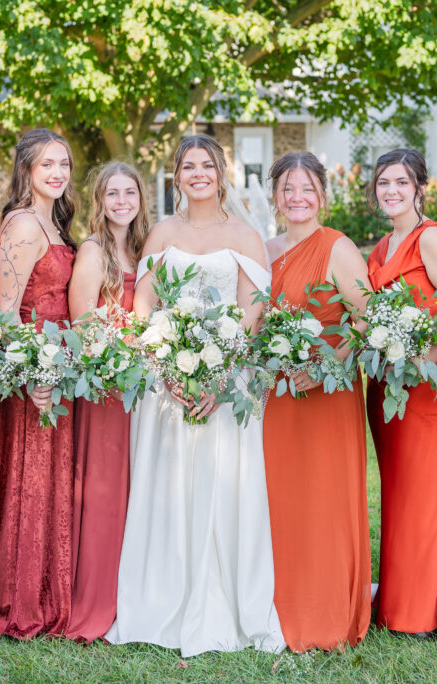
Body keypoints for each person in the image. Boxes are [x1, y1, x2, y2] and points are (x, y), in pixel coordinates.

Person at [105, 134, 284, 656]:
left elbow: (252, 315)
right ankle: (160, 599)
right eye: (188, 166)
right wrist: (167, 369)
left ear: (221, 173)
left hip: (226, 386)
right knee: (167, 488)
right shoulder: (161, 231)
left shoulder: (246, 236)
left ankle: (228, 601)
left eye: (207, 165)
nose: (198, 173)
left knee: (223, 489)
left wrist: (219, 378)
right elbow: (144, 308)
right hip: (167, 386)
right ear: (176, 176)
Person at [365, 149, 437, 635]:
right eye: (383, 183)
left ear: (419, 188)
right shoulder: (379, 249)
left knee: (427, 492)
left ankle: (424, 609)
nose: (391, 191)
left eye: (400, 183)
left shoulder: (430, 240)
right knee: (399, 494)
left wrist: (422, 362)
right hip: (386, 391)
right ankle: (397, 598)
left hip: (429, 389)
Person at [263, 151, 372, 651]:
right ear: (275, 197)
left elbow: (366, 323)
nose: (297, 198)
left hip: (328, 391)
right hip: (279, 394)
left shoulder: (339, 248)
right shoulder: (264, 250)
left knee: (325, 496)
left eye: (307, 189)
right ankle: (280, 606)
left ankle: (327, 613)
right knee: (282, 497)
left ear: (322, 196)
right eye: (288, 189)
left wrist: (325, 367)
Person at [0, 129, 79, 639]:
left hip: (59, 364)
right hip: (33, 373)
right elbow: (5, 310)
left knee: (52, 480)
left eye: (63, 164)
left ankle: (48, 588)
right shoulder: (22, 224)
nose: (58, 173)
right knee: (30, 479)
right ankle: (17, 599)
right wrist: (35, 372)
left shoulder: (55, 223)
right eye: (47, 165)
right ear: (27, 171)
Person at [65, 162, 149, 642]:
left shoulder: (143, 248)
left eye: (129, 191)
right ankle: (97, 601)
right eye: (112, 193)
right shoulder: (95, 250)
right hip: (108, 387)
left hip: (145, 388)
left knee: (139, 491)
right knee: (105, 493)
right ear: (99, 200)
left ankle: (134, 593)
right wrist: (124, 350)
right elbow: (82, 320)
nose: (121, 201)